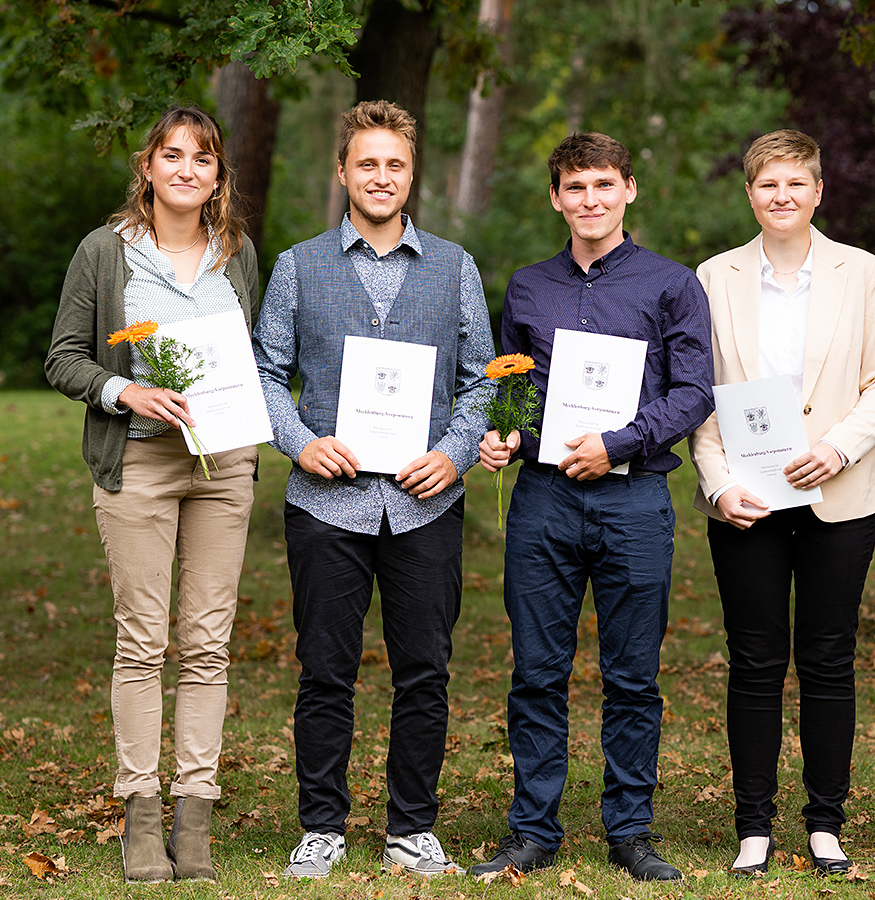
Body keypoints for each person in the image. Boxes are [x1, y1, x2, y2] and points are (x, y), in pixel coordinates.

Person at [252, 100, 493, 879]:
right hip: (328, 504)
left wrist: (456, 455)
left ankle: (410, 830)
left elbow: (481, 384)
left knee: (424, 669)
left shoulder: (455, 267)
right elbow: (265, 373)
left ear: (411, 173)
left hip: (427, 504)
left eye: (394, 164)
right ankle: (321, 825)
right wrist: (301, 441)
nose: (381, 176)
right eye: (367, 163)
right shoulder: (300, 264)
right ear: (344, 173)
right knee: (326, 669)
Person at [470, 133, 714, 882]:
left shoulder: (671, 285)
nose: (590, 200)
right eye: (575, 188)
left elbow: (694, 392)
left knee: (633, 676)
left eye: (604, 185)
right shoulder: (527, 286)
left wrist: (619, 443)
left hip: (633, 498)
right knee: (537, 671)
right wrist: (500, 434)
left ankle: (630, 831)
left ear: (629, 189)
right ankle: (532, 832)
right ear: (555, 198)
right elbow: (509, 384)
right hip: (543, 500)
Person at [45, 107, 259, 883]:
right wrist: (123, 392)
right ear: (148, 167)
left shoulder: (236, 254)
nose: (186, 171)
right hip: (137, 466)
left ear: (217, 176)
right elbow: (63, 359)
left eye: (202, 159)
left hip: (224, 467)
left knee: (206, 644)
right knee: (142, 642)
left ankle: (193, 817)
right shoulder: (105, 254)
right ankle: (140, 813)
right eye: (172, 156)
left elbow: (249, 359)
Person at [687, 130, 875, 876]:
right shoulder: (712, 278)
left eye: (795, 183)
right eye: (767, 184)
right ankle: (753, 827)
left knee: (828, 659)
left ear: (819, 191)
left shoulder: (862, 272)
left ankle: (824, 823)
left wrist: (838, 447)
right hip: (747, 499)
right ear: (749, 194)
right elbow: (700, 399)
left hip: (837, 493)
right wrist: (718, 485)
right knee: (752, 662)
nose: (782, 196)